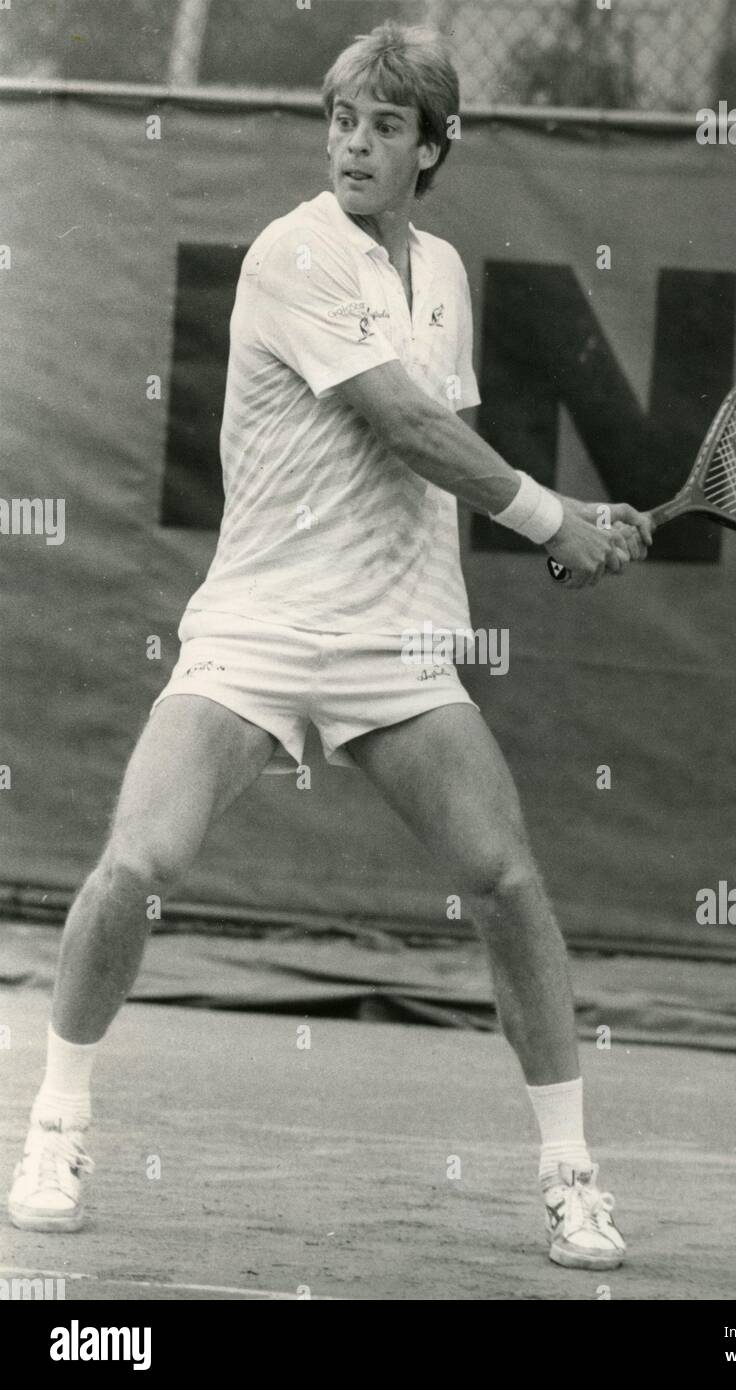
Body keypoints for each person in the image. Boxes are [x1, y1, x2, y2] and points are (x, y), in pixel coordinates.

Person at [8, 21, 652, 1272]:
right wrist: (550, 511)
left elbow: (449, 453)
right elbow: (406, 425)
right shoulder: (292, 253)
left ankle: (571, 1174)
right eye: (343, 120)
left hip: (398, 640)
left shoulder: (446, 274)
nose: (355, 143)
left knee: (507, 883)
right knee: (139, 859)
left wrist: (575, 528)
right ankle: (53, 1125)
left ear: (432, 148)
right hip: (258, 625)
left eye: (385, 126)